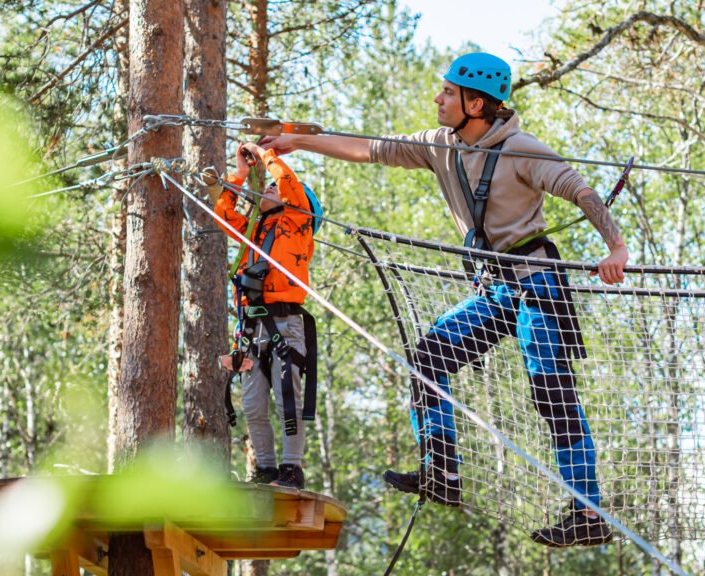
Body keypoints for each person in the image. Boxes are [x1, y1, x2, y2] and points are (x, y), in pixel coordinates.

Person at [262, 52, 627, 547]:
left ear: (476, 104)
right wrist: (295, 141)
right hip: (496, 287)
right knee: (427, 358)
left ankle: (587, 512)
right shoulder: (440, 146)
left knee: (551, 392)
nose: (438, 98)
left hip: (538, 280)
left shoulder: (522, 149)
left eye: (448, 93)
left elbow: (580, 191)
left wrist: (615, 248)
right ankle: (442, 473)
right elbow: (370, 148)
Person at [213, 141, 320, 491]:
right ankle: (266, 469)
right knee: (254, 404)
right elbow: (222, 213)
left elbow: (288, 183)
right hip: (250, 327)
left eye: (272, 186)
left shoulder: (299, 223)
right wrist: (241, 175)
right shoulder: (253, 231)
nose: (269, 187)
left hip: (284, 323)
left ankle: (291, 468)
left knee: (287, 398)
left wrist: (265, 156)